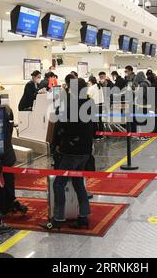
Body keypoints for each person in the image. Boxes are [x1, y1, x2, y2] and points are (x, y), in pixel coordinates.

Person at [40, 78, 95, 231]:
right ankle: (84, 216)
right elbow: (93, 128)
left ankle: (58, 218)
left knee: (59, 184)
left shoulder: (71, 105)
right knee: (78, 183)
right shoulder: (90, 103)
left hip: (72, 151)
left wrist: (58, 144)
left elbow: (64, 127)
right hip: (85, 150)